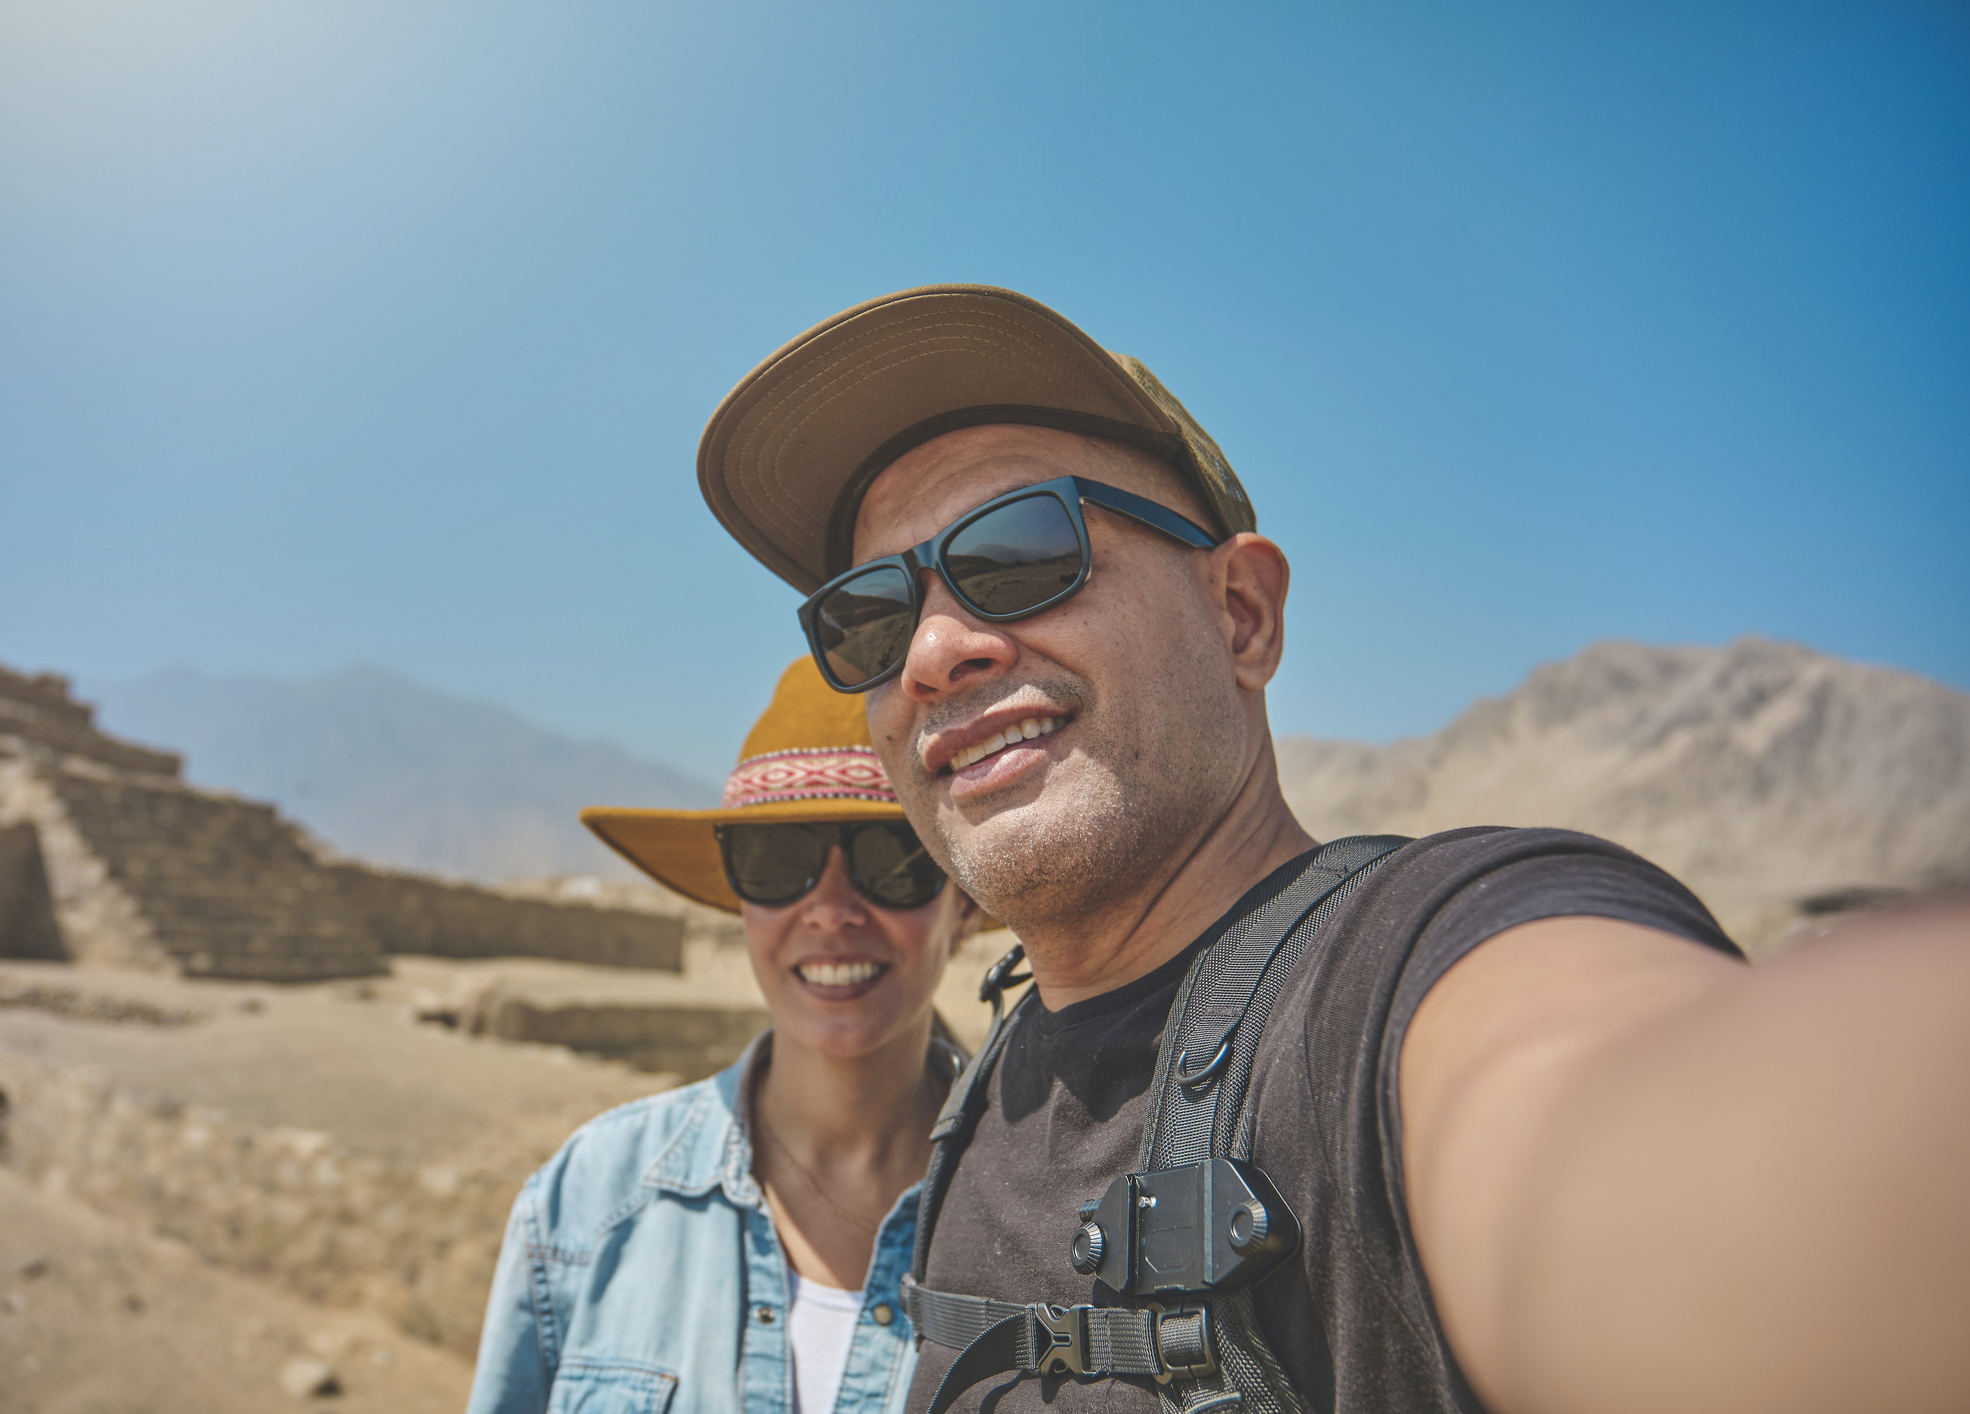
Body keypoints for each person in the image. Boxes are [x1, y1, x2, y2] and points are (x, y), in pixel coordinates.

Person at [694, 285, 1970, 1414]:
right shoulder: (985, 1092)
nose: (932, 653)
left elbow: (1653, 1149)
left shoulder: (1403, 976)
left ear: (1241, 614)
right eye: (867, 617)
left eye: (1020, 551)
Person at [464, 657, 987, 1414]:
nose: (831, 909)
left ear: (963, 902)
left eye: (891, 860)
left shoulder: (1047, 1221)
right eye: (779, 863)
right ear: (740, 901)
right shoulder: (588, 1200)